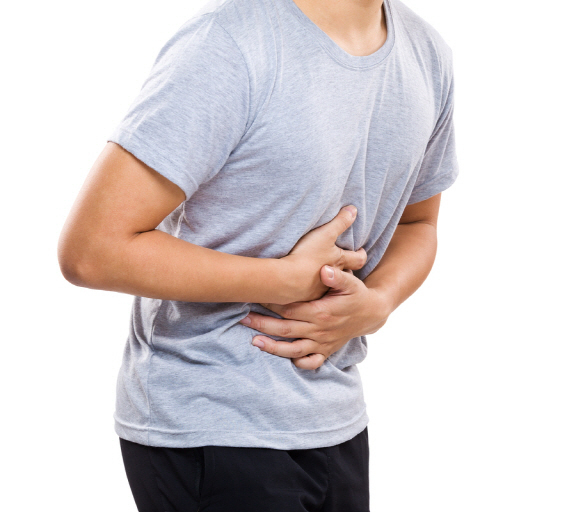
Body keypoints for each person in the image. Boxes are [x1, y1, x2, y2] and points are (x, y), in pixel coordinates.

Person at [57, 0, 459, 509]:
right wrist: (285, 280)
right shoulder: (228, 44)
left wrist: (378, 302)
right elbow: (92, 250)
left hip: (334, 414)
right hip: (213, 417)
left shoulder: (427, 54)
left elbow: (418, 223)